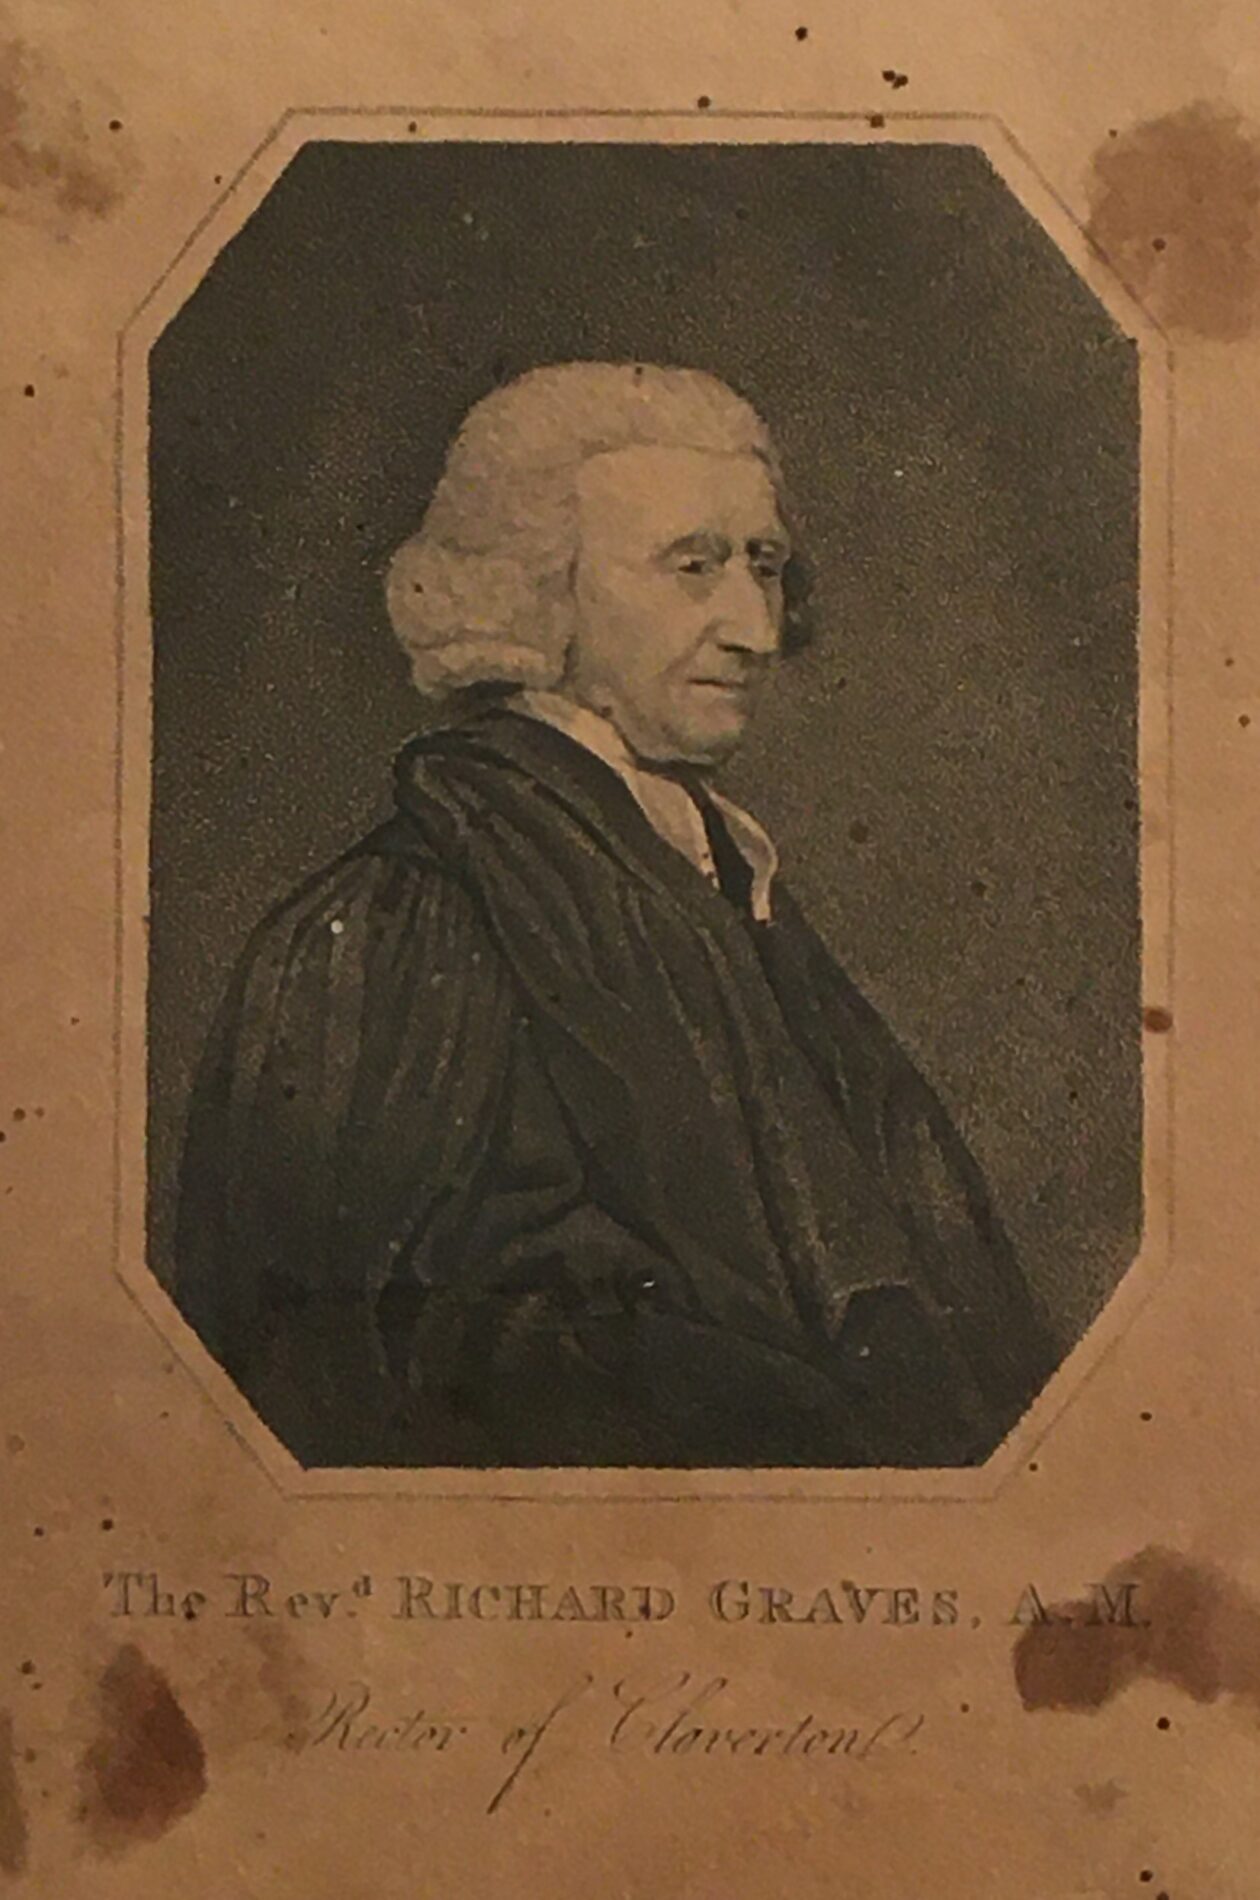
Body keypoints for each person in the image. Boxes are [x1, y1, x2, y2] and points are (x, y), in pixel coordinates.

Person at [174, 361, 1056, 1469]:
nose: (756, 629)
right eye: (693, 567)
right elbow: (373, 1363)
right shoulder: (412, 925)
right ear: (539, 592)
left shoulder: (724, 888)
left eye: (765, 566)